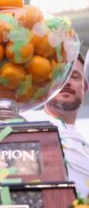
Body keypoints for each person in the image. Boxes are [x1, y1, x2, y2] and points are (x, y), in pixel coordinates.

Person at [23, 53, 89, 198]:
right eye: (60, 75)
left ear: (85, 86)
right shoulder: (22, 123)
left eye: (75, 76)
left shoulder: (85, 149)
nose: (67, 82)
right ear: (45, 84)